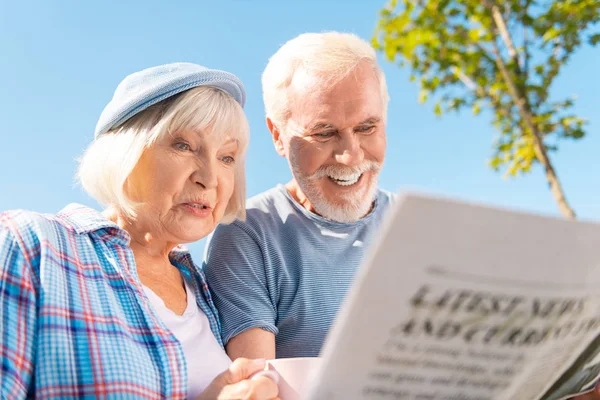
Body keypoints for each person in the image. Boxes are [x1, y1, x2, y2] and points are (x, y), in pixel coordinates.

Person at [0, 63, 279, 399]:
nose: (210, 177)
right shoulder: (29, 244)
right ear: (126, 154)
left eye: (227, 157)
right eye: (184, 146)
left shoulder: (208, 292)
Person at [203, 32, 395, 360]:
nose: (350, 156)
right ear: (278, 136)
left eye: (366, 128)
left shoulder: (418, 226)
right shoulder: (248, 235)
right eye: (324, 133)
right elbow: (260, 384)